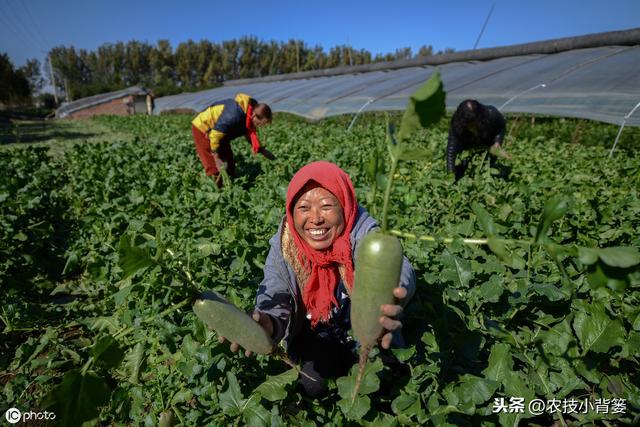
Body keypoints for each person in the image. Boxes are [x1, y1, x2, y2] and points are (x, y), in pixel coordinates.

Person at [220, 161, 416, 397]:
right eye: (304, 208)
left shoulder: (363, 231)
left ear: (345, 206)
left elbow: (397, 266)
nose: (315, 218)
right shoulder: (286, 244)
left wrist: (393, 295)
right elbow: (275, 290)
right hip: (317, 330)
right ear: (292, 212)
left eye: (326, 206)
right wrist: (266, 323)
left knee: (389, 380)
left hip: (367, 331)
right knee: (310, 385)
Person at [191, 93, 275, 184]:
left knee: (230, 165)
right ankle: (214, 190)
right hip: (204, 128)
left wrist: (262, 150)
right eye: (260, 123)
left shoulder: (248, 117)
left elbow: (249, 135)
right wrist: (216, 156)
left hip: (222, 135)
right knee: (214, 167)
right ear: (254, 115)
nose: (260, 126)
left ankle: (229, 186)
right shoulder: (234, 114)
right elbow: (215, 134)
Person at [446, 99, 511, 179]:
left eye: (474, 123)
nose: (473, 127)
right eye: (469, 124)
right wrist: (450, 175)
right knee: (462, 170)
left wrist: (497, 141)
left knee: (489, 170)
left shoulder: (491, 114)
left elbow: (501, 126)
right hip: (467, 149)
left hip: (487, 146)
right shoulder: (457, 123)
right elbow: (452, 150)